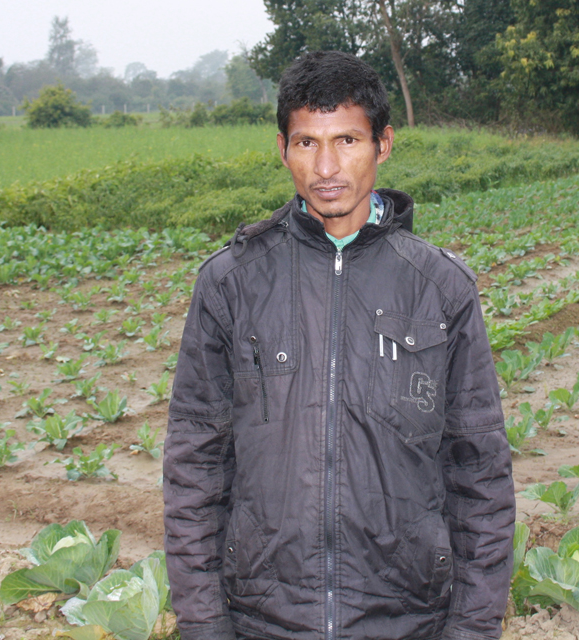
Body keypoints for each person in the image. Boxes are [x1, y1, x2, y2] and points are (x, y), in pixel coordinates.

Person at [164, 50, 515, 640]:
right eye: (306, 143)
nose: (327, 166)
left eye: (347, 140)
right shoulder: (231, 283)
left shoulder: (440, 288)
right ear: (282, 149)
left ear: (384, 144)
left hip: (409, 618)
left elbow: (479, 474)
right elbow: (195, 470)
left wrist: (472, 629)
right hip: (263, 619)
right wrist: (204, 624)